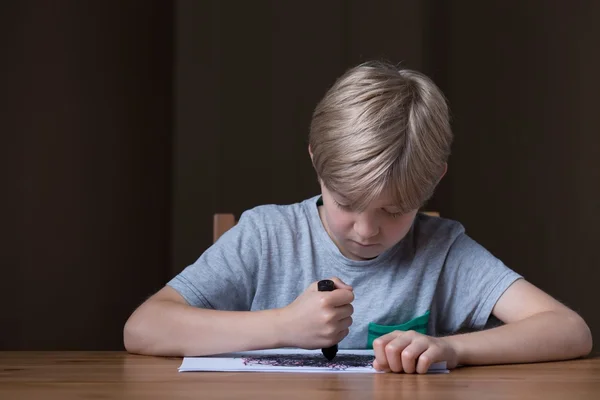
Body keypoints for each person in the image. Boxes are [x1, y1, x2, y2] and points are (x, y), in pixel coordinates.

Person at [124, 61, 592, 374]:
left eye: (394, 210)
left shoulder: (442, 250)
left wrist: (454, 348)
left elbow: (569, 330)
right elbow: (143, 328)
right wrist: (284, 326)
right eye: (346, 202)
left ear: (433, 182)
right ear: (316, 161)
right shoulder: (266, 235)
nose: (367, 231)